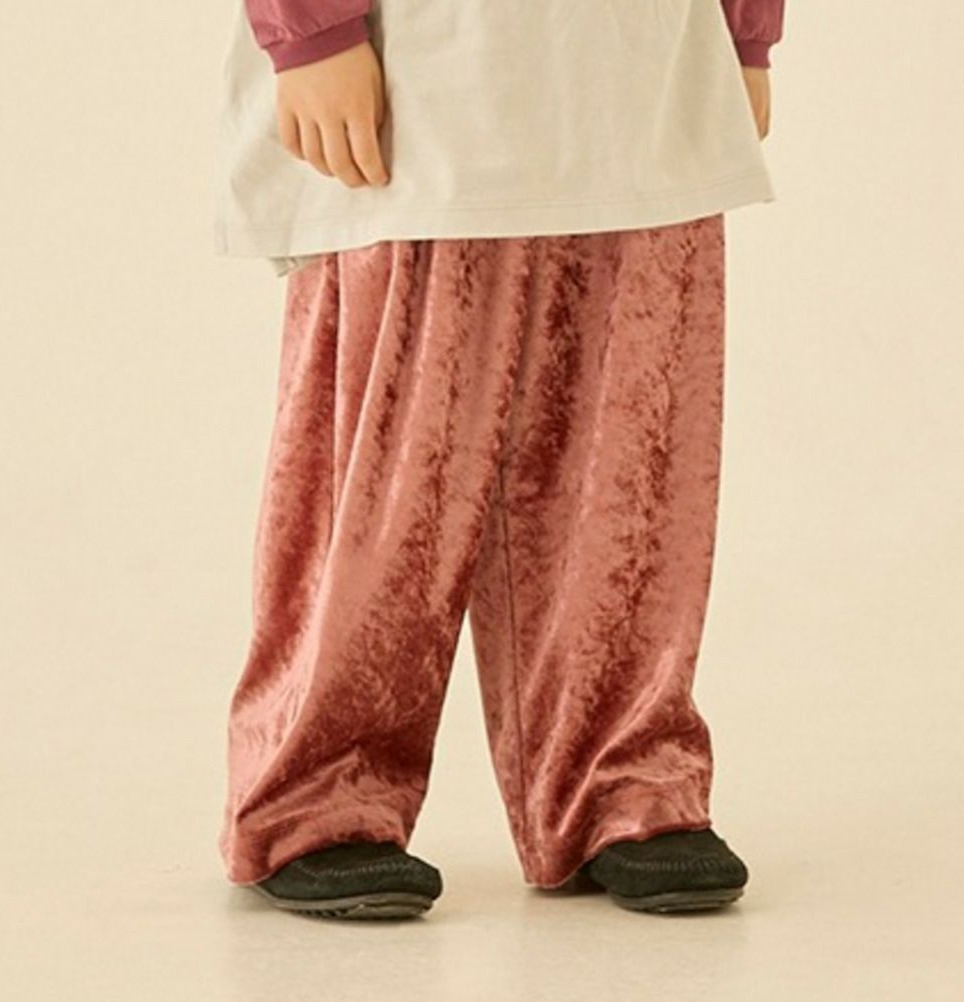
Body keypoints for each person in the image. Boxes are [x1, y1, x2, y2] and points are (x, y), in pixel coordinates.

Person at [213, 0, 787, 920]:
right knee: (386, 486)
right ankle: (319, 789)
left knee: (631, 481)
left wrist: (745, 30)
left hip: (648, 65)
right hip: (421, 68)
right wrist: (310, 27)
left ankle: (620, 780)